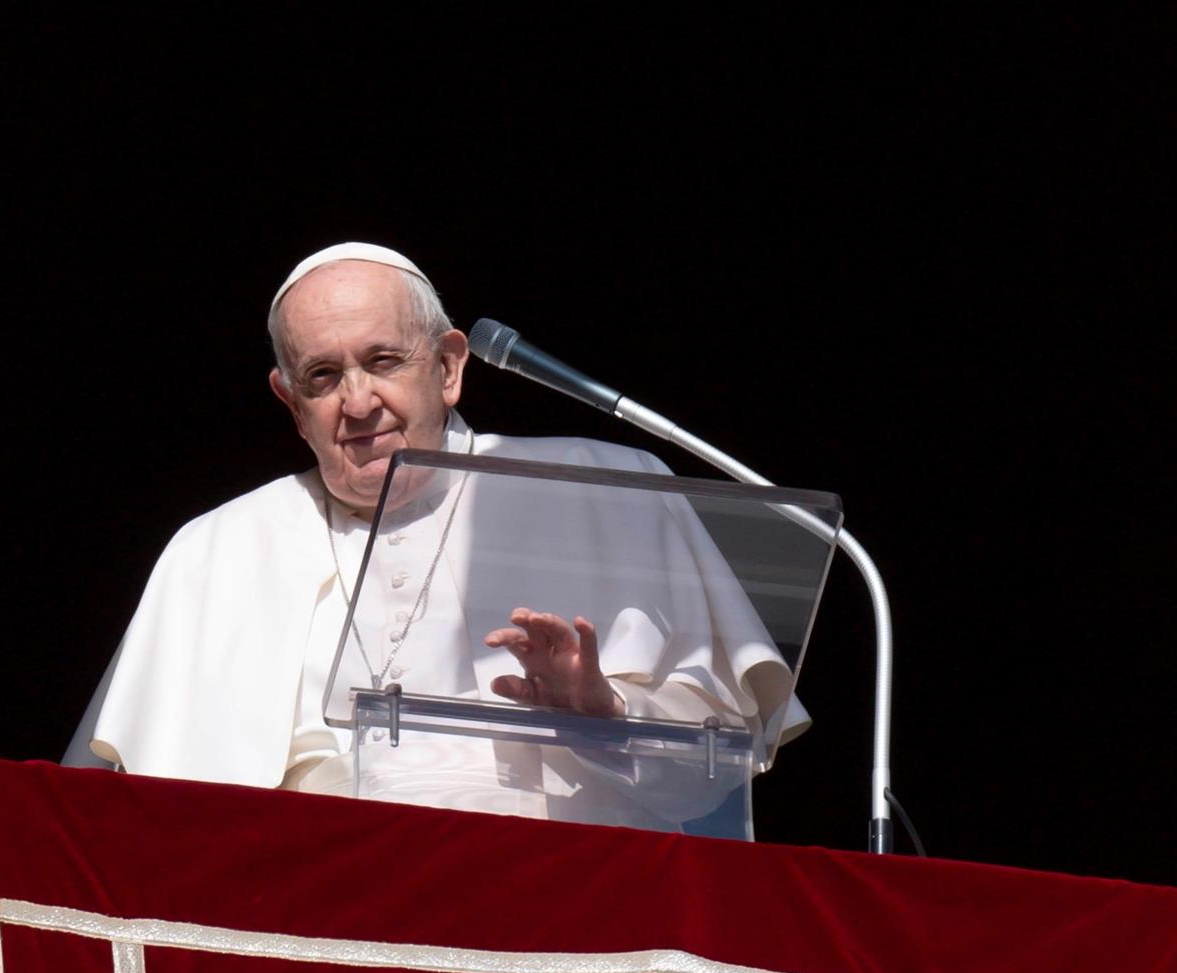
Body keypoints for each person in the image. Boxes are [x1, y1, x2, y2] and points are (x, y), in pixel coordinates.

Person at [66, 243, 807, 829]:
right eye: (322, 376)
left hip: (573, 918)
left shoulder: (604, 487)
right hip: (313, 930)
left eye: (383, 361)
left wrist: (604, 714)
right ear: (291, 403)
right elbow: (127, 821)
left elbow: (712, 779)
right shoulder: (217, 551)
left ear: (449, 367)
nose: (358, 401)